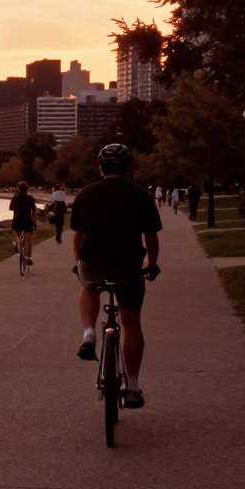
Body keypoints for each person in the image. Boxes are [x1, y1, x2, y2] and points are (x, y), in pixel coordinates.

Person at [71, 144, 162, 409]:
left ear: (101, 167)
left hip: (94, 262)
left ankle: (89, 334)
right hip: (128, 266)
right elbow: (150, 236)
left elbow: (78, 235)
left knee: (88, 285)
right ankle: (132, 387)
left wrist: (78, 262)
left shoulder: (86, 194)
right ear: (128, 167)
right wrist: (152, 264)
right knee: (131, 321)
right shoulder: (140, 195)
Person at [9, 181, 38, 265]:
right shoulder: (30, 198)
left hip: (17, 220)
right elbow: (33, 213)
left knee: (17, 235)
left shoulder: (15, 198)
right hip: (28, 221)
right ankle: (28, 258)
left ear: (18, 189)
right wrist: (35, 223)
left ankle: (17, 244)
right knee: (28, 241)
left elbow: (12, 209)